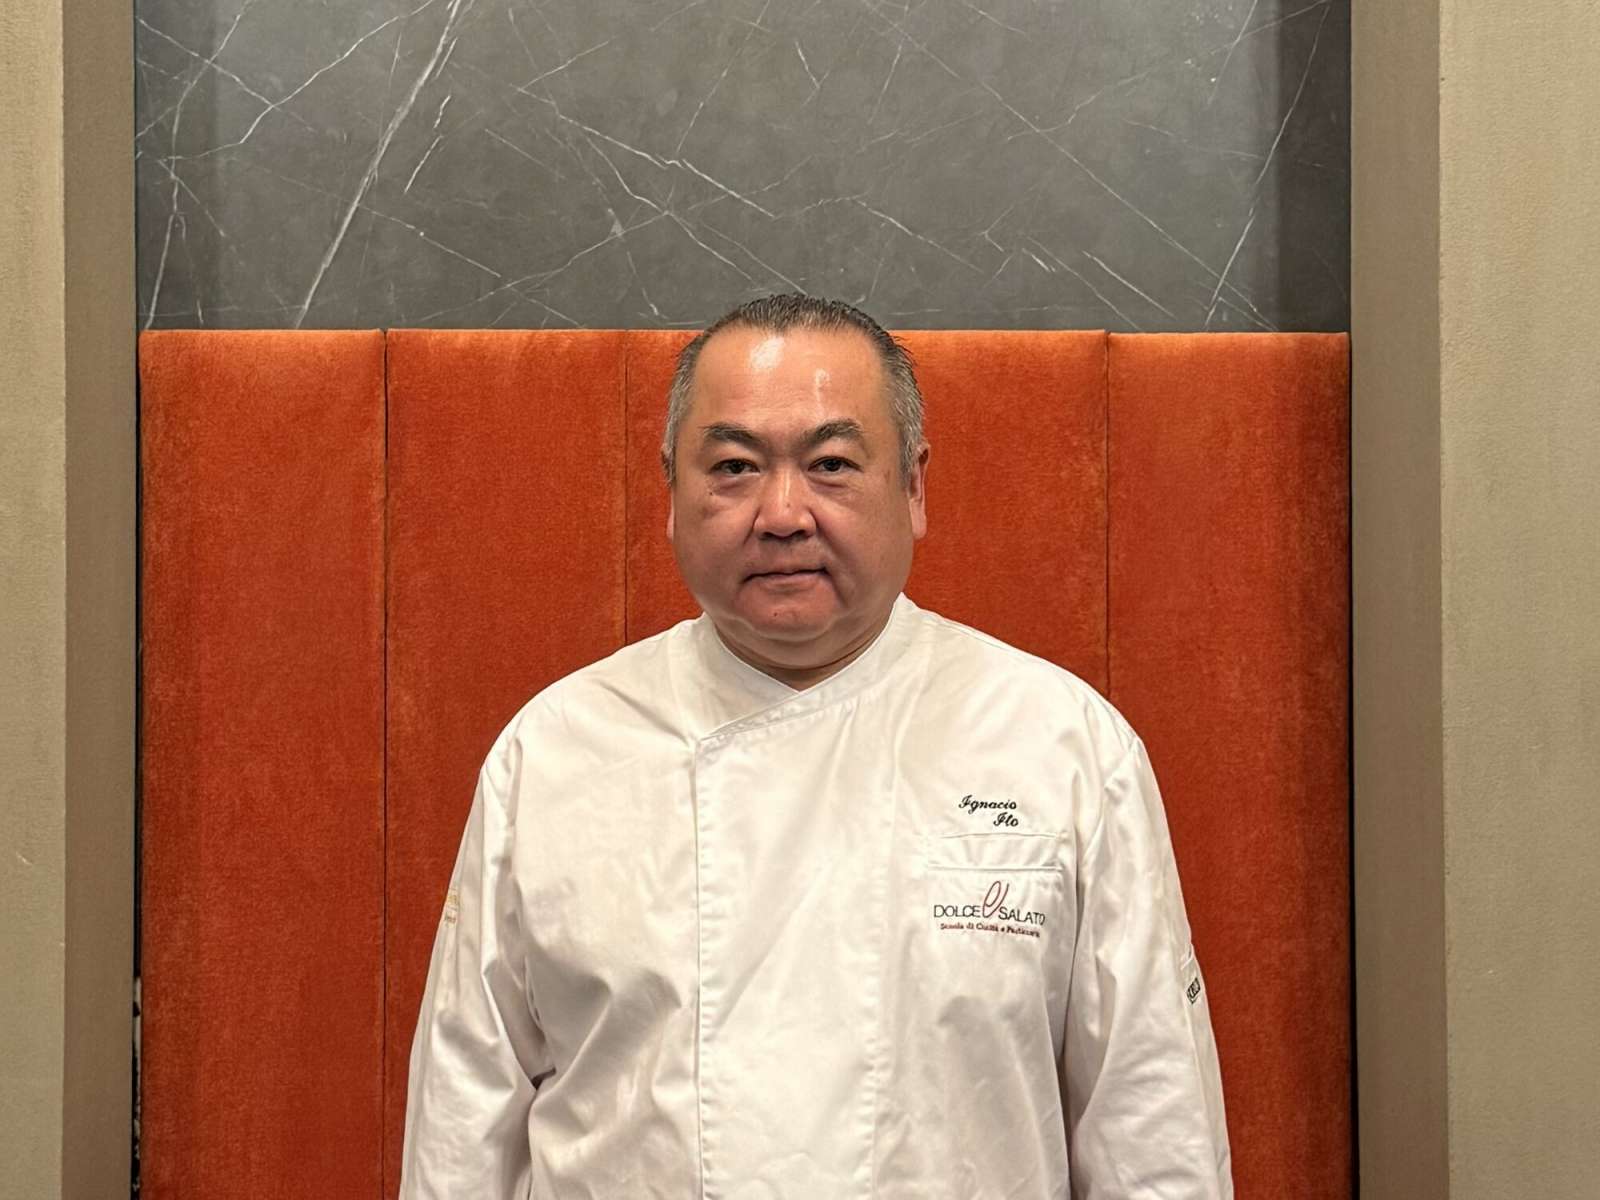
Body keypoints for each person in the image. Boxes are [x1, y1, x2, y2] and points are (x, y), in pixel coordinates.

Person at [399, 294, 1233, 1199]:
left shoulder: (1061, 745)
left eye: (831, 464)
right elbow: (462, 1128)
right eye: (734, 467)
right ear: (670, 492)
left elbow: (1155, 1138)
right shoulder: (556, 752)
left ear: (913, 486)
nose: (783, 513)